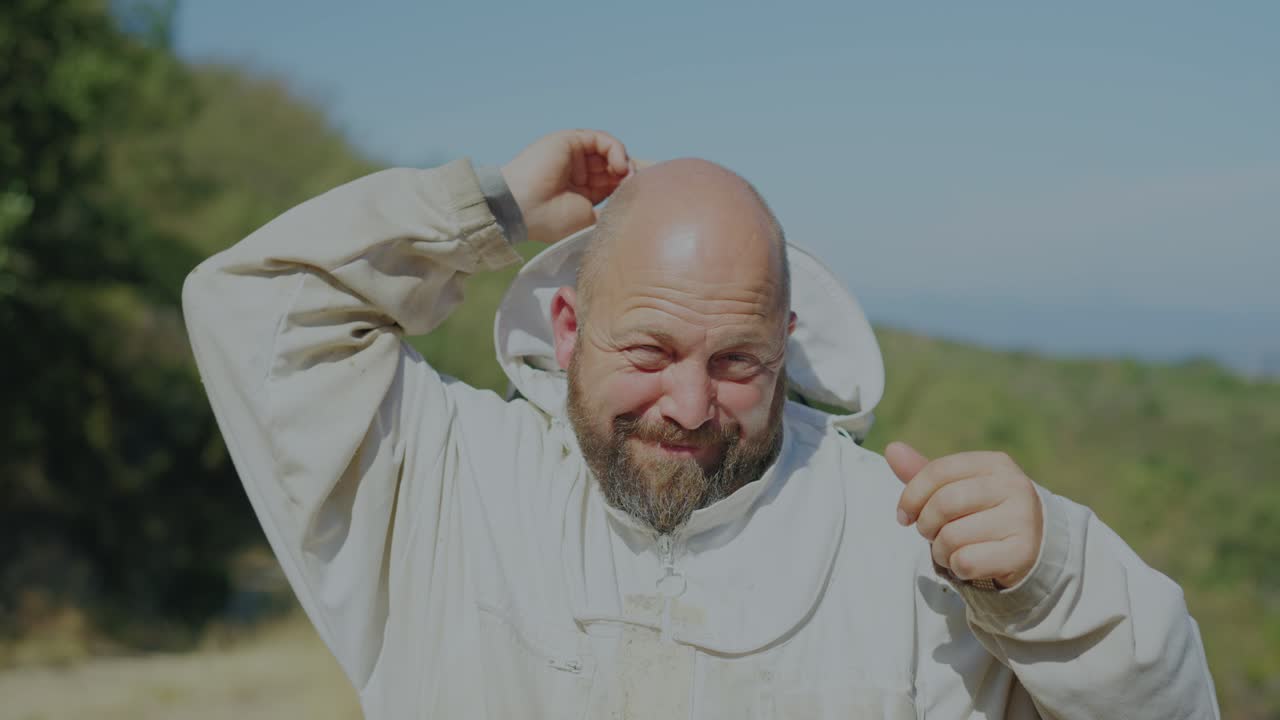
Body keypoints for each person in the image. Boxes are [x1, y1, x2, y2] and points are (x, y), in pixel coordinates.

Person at [183, 129, 1220, 718]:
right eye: (647, 354)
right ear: (567, 319)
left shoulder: (906, 550)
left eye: (736, 363)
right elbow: (252, 307)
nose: (687, 406)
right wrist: (486, 208)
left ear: (788, 341)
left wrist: (1056, 579)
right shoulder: (446, 481)